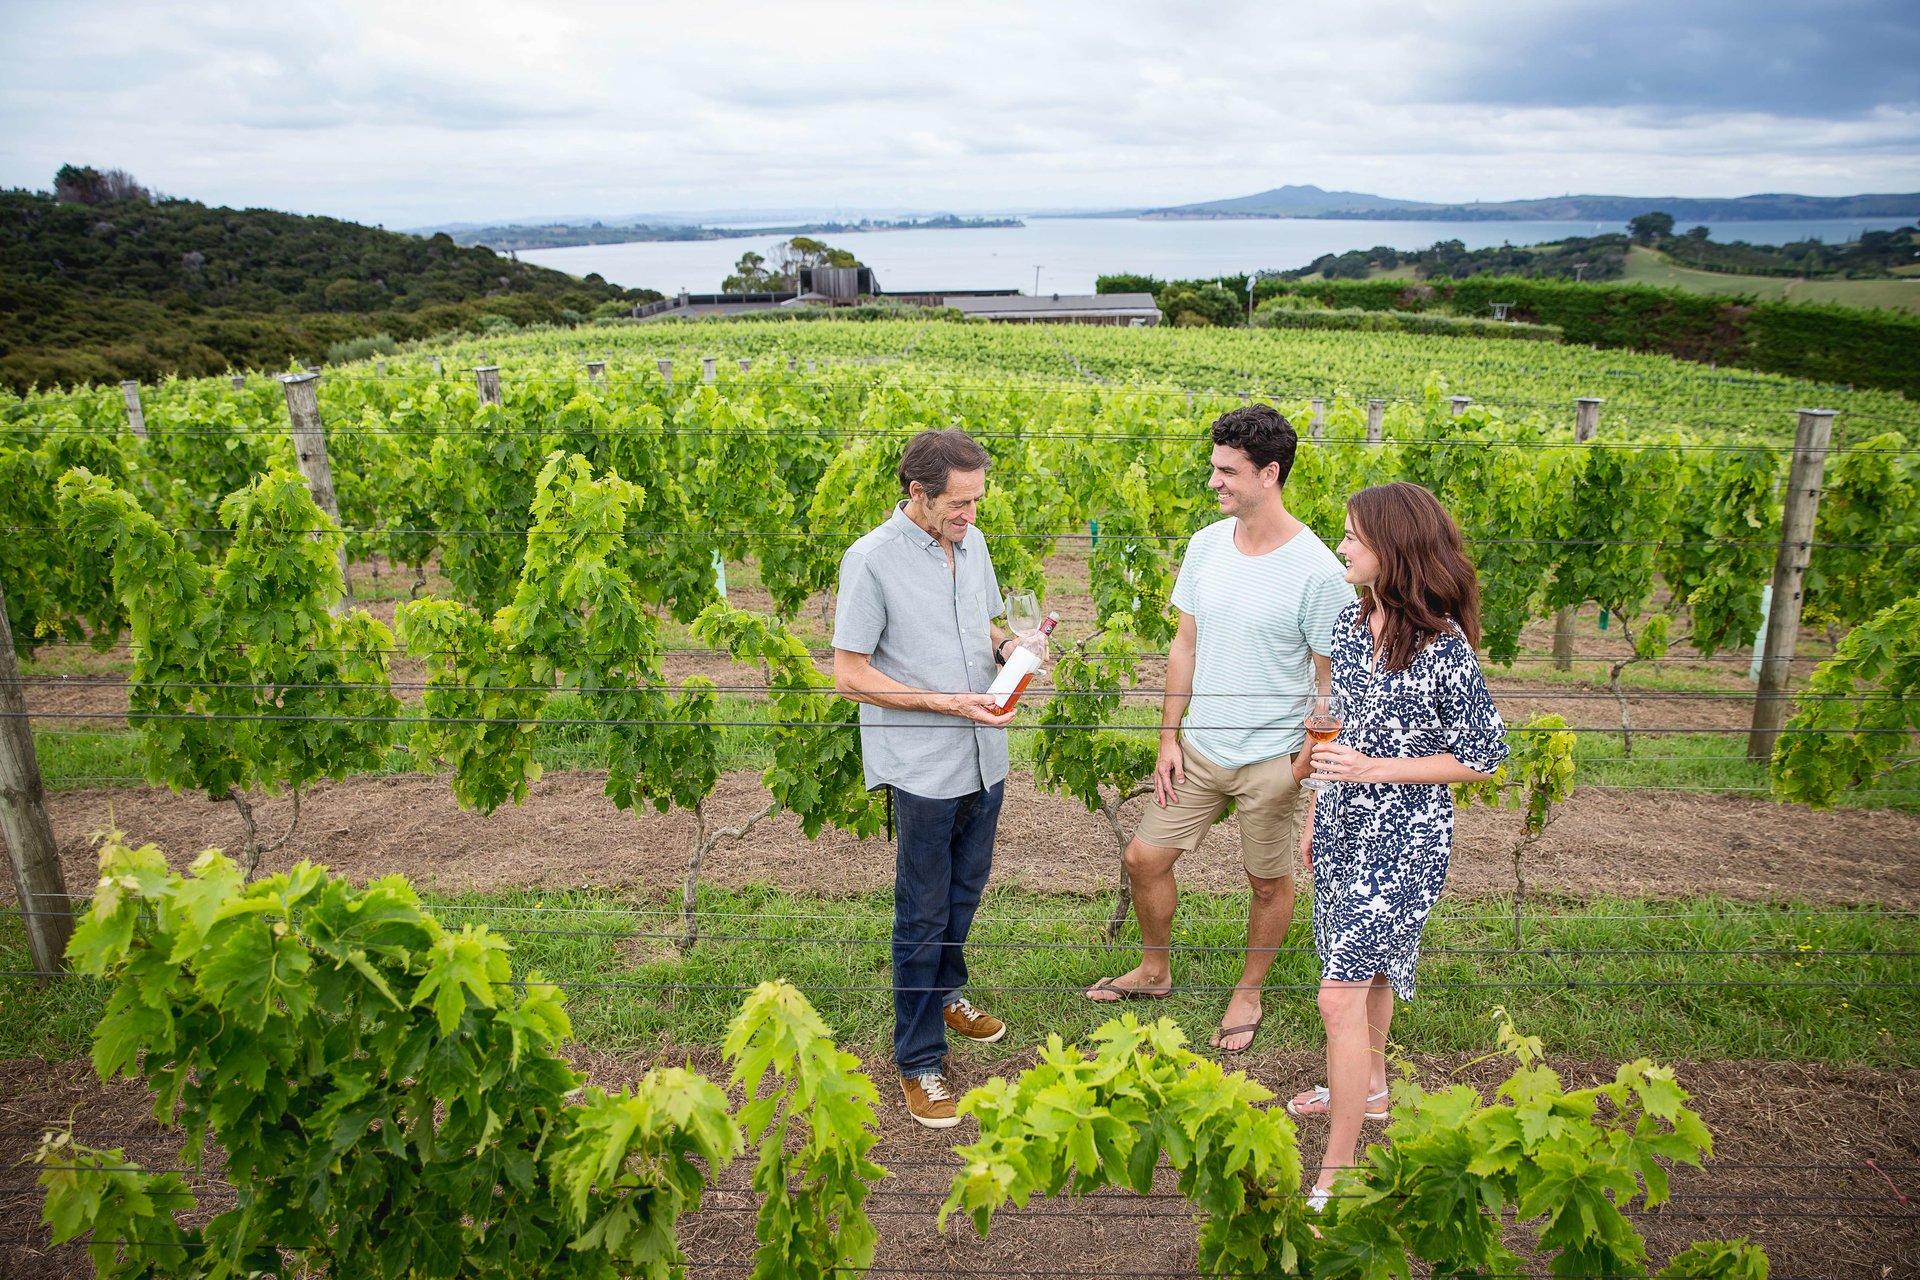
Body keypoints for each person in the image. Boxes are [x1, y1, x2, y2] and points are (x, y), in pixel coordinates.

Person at [1084, 404, 1352, 1054]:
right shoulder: (1206, 545)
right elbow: (1184, 645)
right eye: (1214, 468)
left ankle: (1250, 988)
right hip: (1200, 747)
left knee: (1268, 882)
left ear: (1270, 473)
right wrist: (1169, 737)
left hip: (1274, 761)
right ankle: (1154, 969)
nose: (1215, 483)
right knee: (1143, 860)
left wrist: (1307, 775)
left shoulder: (1319, 571)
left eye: (1227, 472)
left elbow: (1329, 686)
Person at [1285, 481, 1509, 1210]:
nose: (1342, 546)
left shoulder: (1443, 647)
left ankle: (1339, 1172)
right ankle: (1372, 1090)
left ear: (1394, 547)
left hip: (1406, 839)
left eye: (1353, 536)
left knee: (1336, 998)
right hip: (1346, 825)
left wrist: (1376, 770)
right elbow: (1341, 731)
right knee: (1367, 976)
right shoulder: (1352, 630)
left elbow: (1483, 755)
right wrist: (1321, 811)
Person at [832, 428, 1045, 1130]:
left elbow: (977, 625)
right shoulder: (871, 560)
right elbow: (850, 675)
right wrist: (948, 701)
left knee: (965, 889)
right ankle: (918, 1060)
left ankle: (947, 992)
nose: (972, 515)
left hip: (985, 753)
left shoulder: (972, 544)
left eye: (978, 501)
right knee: (921, 911)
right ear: (918, 493)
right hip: (923, 762)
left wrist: (1010, 645)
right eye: (959, 503)